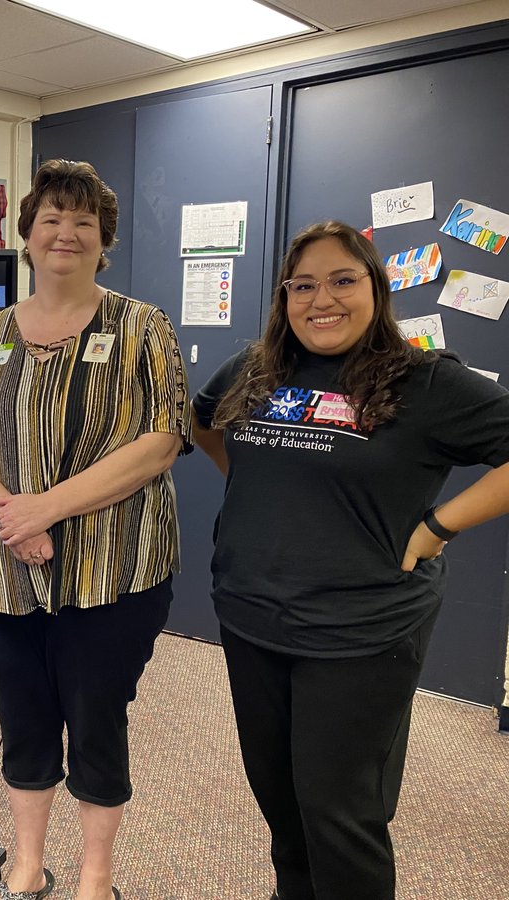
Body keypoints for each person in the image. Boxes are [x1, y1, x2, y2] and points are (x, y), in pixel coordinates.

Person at [191, 220, 509, 900]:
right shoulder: (257, 368)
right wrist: (255, 489)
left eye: (342, 280)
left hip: (360, 631)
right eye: (302, 285)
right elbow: (204, 419)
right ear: (284, 296)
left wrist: (435, 528)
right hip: (251, 615)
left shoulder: (425, 381)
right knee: (279, 799)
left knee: (340, 812)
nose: (320, 299)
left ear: (375, 287)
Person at [0, 159, 191, 900]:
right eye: (51, 217)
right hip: (0, 566)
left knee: (96, 719)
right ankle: (24, 860)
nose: (66, 232)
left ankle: (95, 876)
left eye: (83, 221)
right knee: (22, 717)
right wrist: (9, 518)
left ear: (103, 240)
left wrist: (45, 509)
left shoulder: (143, 326)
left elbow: (164, 437)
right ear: (27, 235)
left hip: (113, 568)